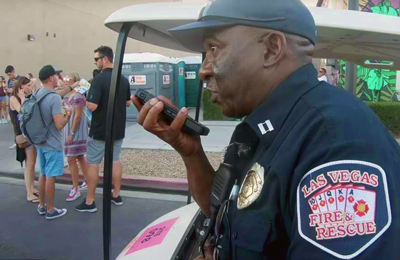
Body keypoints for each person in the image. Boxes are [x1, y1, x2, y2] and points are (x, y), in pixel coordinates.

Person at [132, 0, 400, 259]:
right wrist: (190, 152)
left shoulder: (336, 142)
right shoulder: (267, 124)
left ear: (272, 49)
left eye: (214, 48)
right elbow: (225, 215)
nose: (204, 70)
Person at [75, 46, 131, 213]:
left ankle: (90, 201)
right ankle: (116, 195)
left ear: (104, 59)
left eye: (96, 59)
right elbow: (128, 103)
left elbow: (92, 106)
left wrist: (84, 97)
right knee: (115, 159)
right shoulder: (123, 79)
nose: (96, 62)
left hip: (100, 130)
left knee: (92, 163)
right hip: (118, 129)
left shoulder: (98, 80)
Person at [36, 65, 71, 220]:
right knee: (51, 176)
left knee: (42, 173)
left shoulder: (38, 93)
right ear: (51, 78)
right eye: (56, 75)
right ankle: (51, 210)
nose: (58, 77)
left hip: (40, 141)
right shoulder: (54, 98)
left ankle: (42, 206)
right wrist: (68, 115)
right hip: (52, 143)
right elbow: (59, 124)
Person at [9, 76, 39, 202]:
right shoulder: (13, 99)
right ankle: (29, 192)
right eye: (27, 86)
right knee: (29, 164)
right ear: (21, 87)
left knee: (31, 164)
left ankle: (32, 188)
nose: (29, 88)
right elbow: (23, 111)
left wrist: (34, 85)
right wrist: (22, 98)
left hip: (30, 134)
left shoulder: (27, 97)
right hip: (23, 135)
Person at [63, 72, 89, 201]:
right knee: (79, 157)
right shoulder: (71, 94)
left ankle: (75, 188)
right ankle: (87, 180)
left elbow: (78, 116)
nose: (66, 80)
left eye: (70, 79)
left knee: (71, 159)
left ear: (76, 81)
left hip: (76, 132)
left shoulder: (77, 95)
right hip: (72, 130)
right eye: (66, 78)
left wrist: (72, 133)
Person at [5, 65, 21, 149]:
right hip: (11, 103)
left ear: (13, 71)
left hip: (18, 103)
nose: (9, 76)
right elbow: (9, 90)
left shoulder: (20, 79)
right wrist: (7, 91)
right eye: (8, 75)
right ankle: (17, 141)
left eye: (10, 74)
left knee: (19, 122)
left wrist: (15, 87)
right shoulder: (9, 81)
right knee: (14, 123)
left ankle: (21, 140)